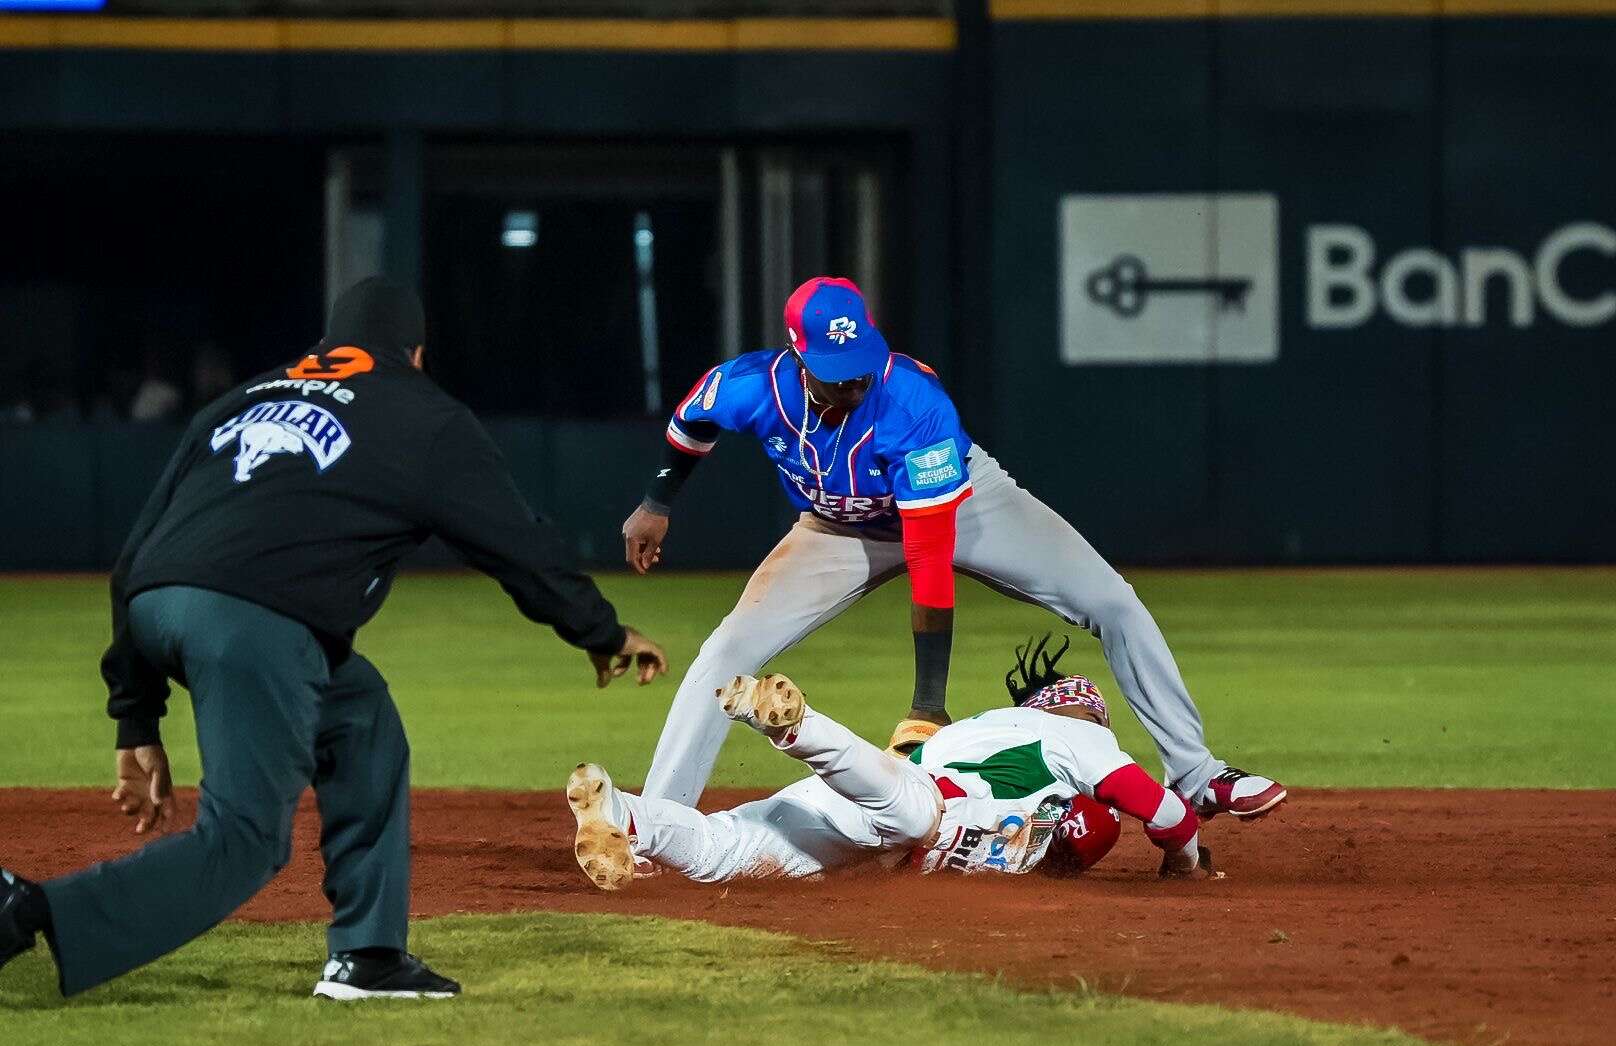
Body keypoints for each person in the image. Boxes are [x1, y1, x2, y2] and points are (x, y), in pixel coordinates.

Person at [0, 278, 669, 1001]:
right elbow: (515, 544)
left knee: (360, 718)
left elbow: (134, 557)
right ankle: (26, 911)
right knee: (246, 839)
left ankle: (369, 954)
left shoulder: (244, 398)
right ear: (415, 352)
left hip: (157, 605)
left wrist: (136, 714)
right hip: (255, 621)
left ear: (331, 341)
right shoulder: (422, 413)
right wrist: (598, 631)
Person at [621, 276, 1284, 822]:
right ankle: (660, 823)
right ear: (796, 359)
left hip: (963, 507)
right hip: (834, 530)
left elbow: (930, 557)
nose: (851, 385)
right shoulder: (748, 387)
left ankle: (1197, 776)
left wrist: (927, 702)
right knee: (726, 653)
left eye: (858, 370)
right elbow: (691, 424)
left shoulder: (912, 402)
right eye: (833, 374)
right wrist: (658, 501)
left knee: (1112, 601)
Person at [566, 635, 1218, 890]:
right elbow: (1165, 811)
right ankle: (797, 726)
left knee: (720, 852)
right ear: (1085, 713)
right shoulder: (1079, 738)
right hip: (917, 806)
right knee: (911, 810)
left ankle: (624, 817)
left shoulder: (991, 727)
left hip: (878, 819)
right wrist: (1181, 857)